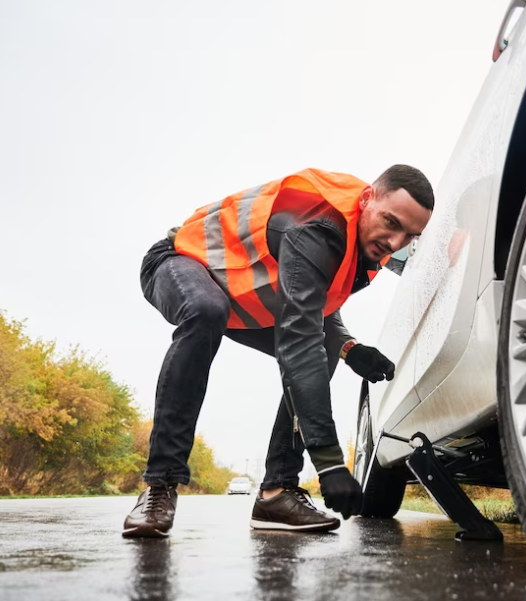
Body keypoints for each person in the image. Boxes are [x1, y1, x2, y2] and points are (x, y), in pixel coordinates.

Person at [122, 165, 434, 538]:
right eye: (391, 222)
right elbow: (297, 342)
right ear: (367, 198)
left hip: (240, 299)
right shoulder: (317, 226)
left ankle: (276, 493)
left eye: (409, 236)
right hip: (178, 261)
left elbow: (318, 307)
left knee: (320, 345)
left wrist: (349, 349)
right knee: (207, 312)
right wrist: (330, 463)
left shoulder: (368, 243)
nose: (395, 243)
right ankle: (159, 486)